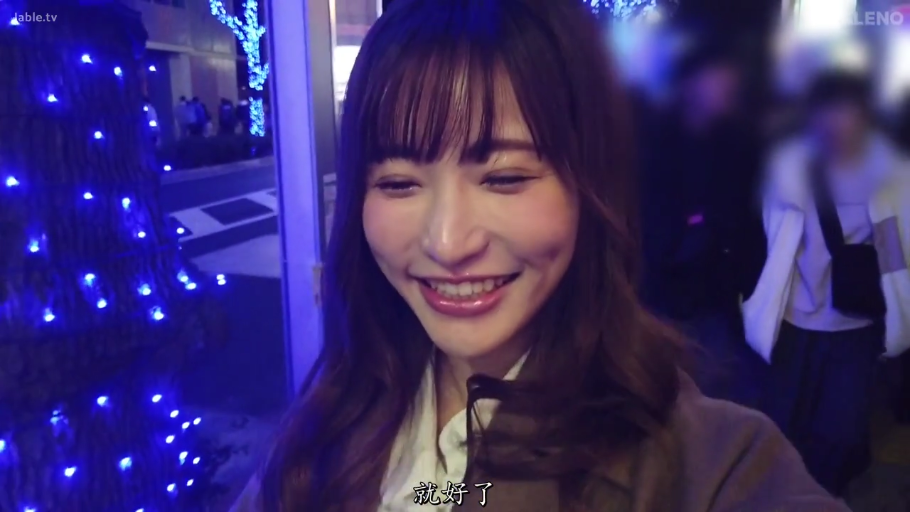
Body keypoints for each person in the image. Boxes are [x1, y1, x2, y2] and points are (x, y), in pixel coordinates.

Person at [233, 1, 845, 511]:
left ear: (590, 186)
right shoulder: (340, 408)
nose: (447, 243)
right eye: (398, 183)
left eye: (504, 178)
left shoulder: (702, 462)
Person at [744, 69, 910, 497]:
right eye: (827, 111)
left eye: (846, 111)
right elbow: (770, 239)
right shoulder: (791, 168)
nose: (836, 122)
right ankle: (782, 494)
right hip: (795, 319)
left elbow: (895, 252)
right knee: (783, 420)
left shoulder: (889, 176)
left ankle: (818, 496)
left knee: (841, 431)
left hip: (855, 324)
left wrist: (899, 309)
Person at [639, 36, 766, 407]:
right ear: (691, 83)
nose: (729, 87)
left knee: (717, 394)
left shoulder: (738, 144)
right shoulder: (656, 142)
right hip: (665, 294)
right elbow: (650, 217)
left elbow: (747, 217)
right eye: (719, 78)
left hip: (719, 296)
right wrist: (692, 229)